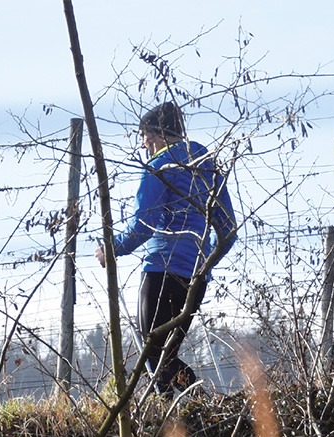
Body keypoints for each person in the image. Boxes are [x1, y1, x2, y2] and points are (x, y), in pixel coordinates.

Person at [96, 102, 236, 395]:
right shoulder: (206, 164)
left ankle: (196, 407)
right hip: (195, 279)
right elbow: (228, 229)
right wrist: (205, 264)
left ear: (158, 134)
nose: (143, 143)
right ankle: (188, 421)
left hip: (161, 272)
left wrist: (111, 249)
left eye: (144, 135)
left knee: (154, 354)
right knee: (164, 358)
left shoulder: (158, 167)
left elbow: (142, 226)